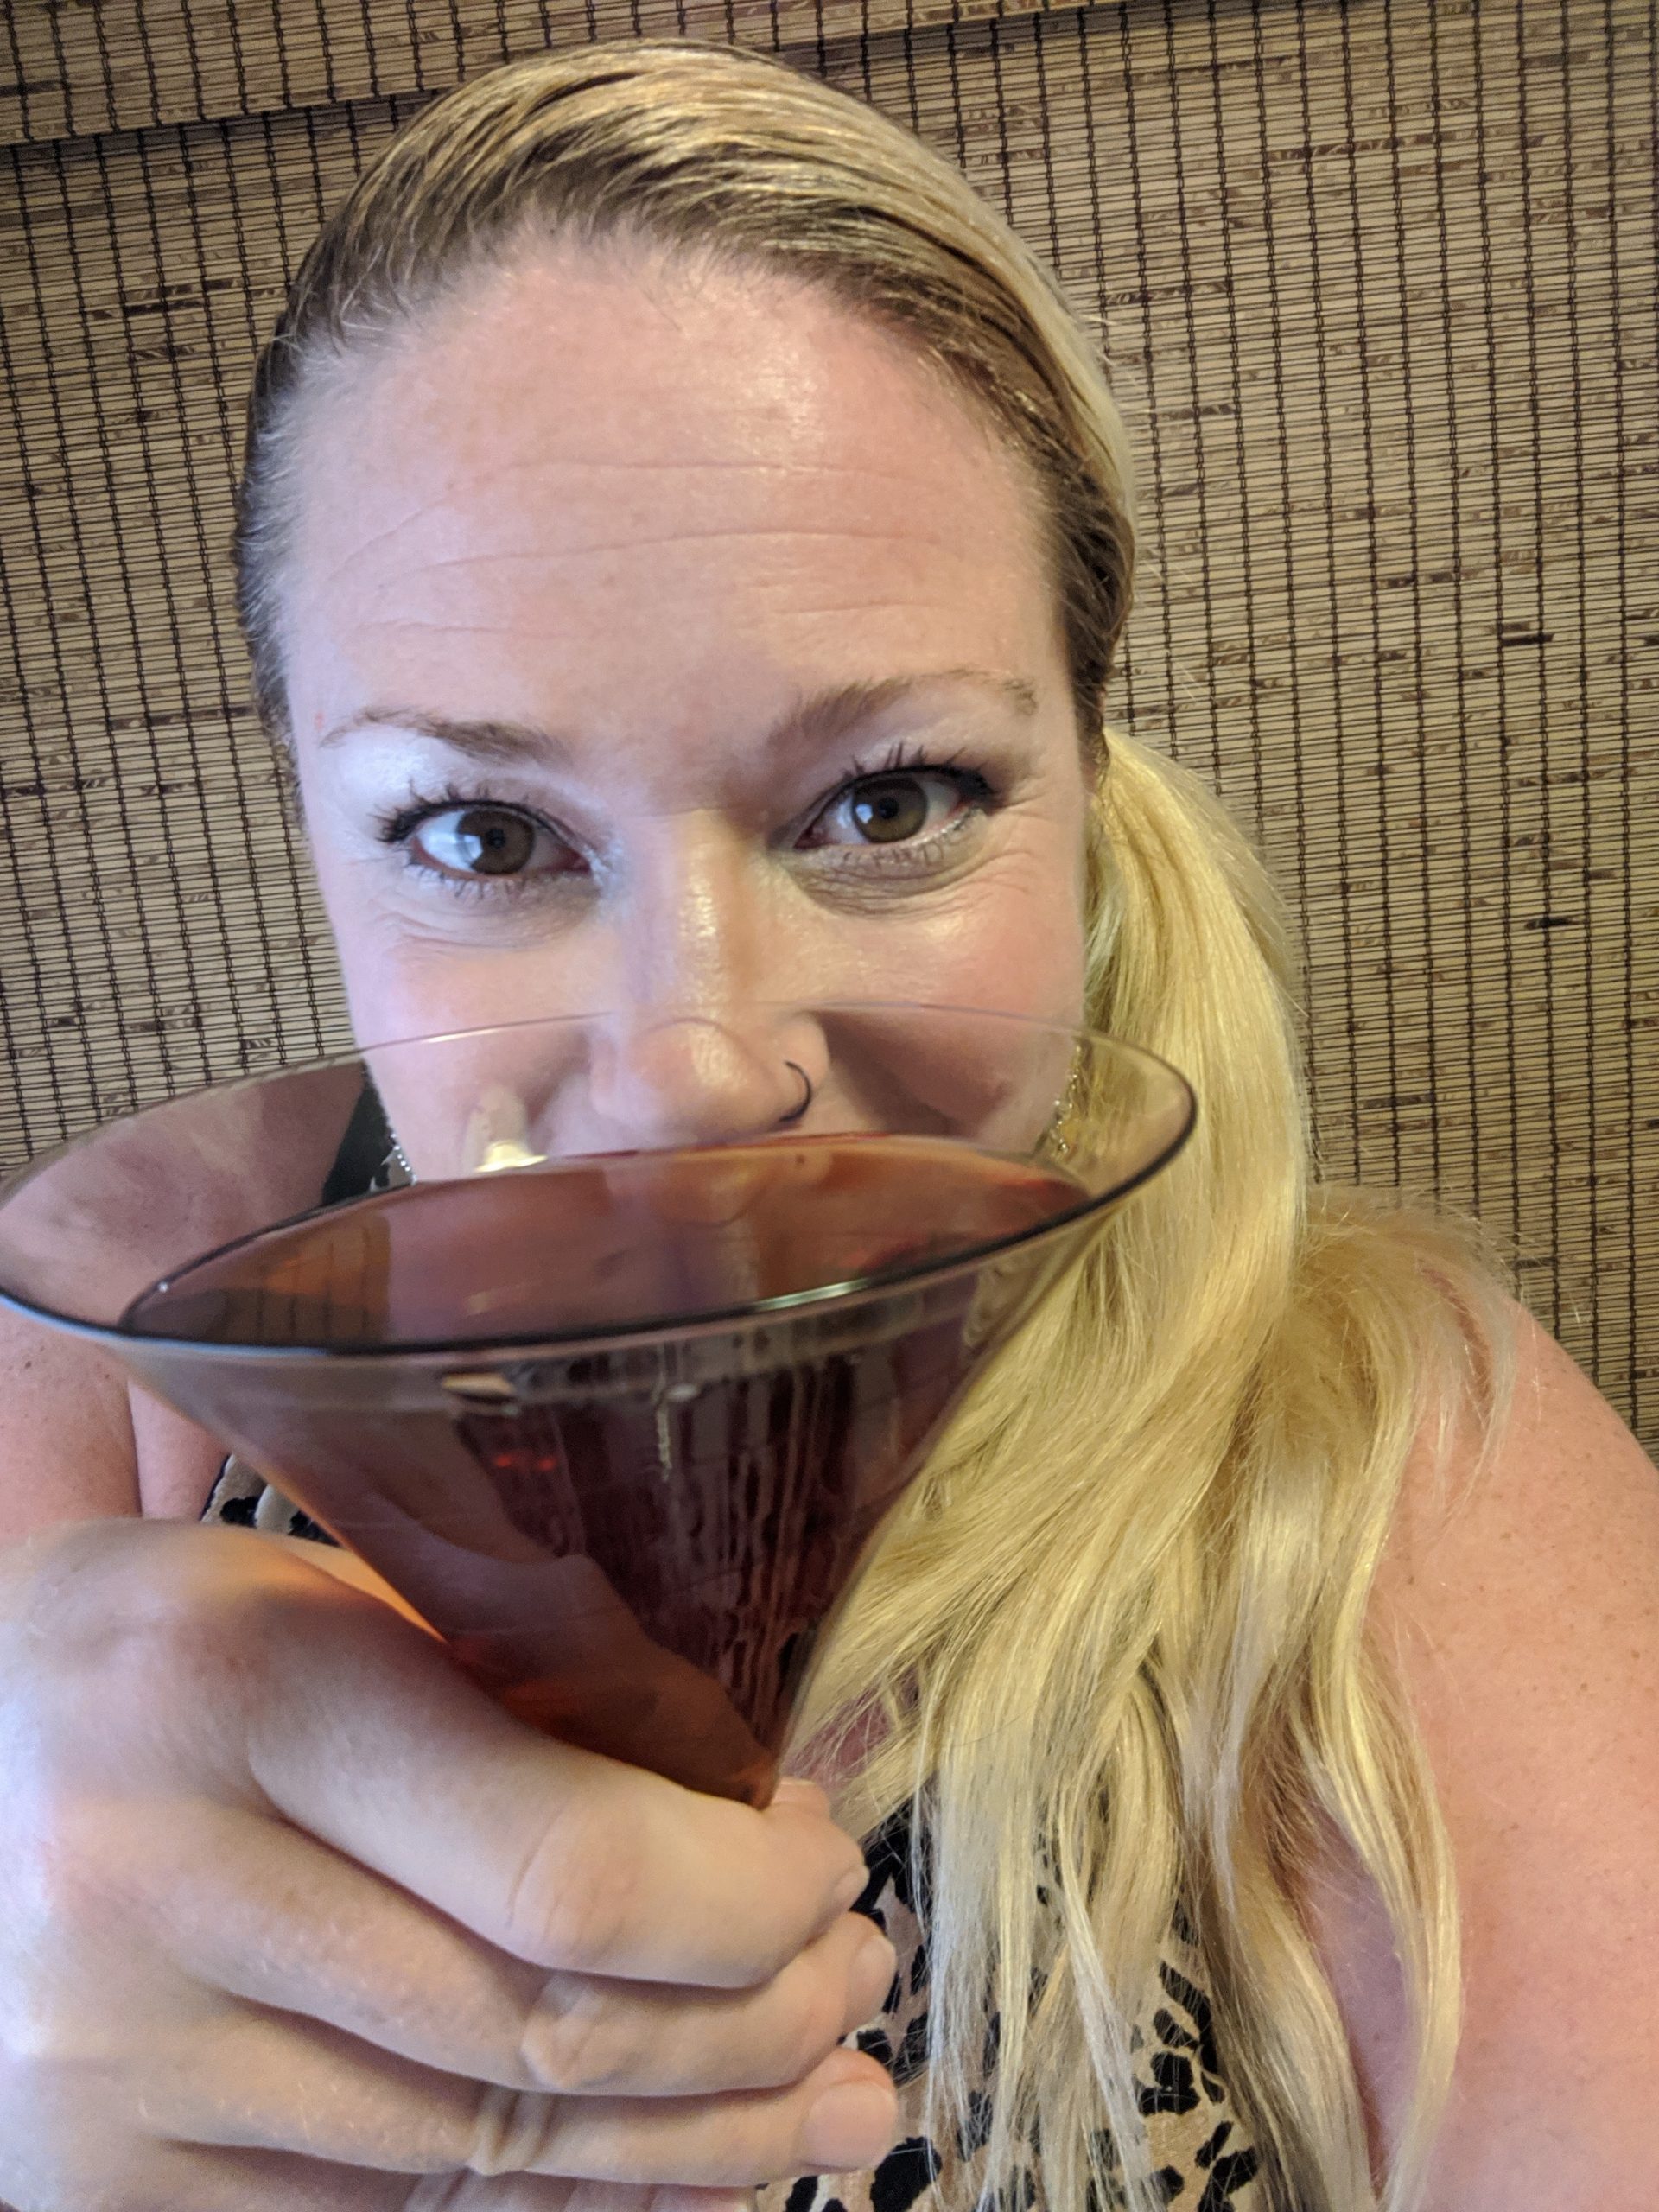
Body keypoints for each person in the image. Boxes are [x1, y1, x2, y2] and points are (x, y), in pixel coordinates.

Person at [0, 37, 1655, 2212]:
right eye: (482, 830)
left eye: (888, 801)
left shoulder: (1384, 1478)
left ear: (1086, 775)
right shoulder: (109, 1393)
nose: (696, 1069)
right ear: (307, 815)